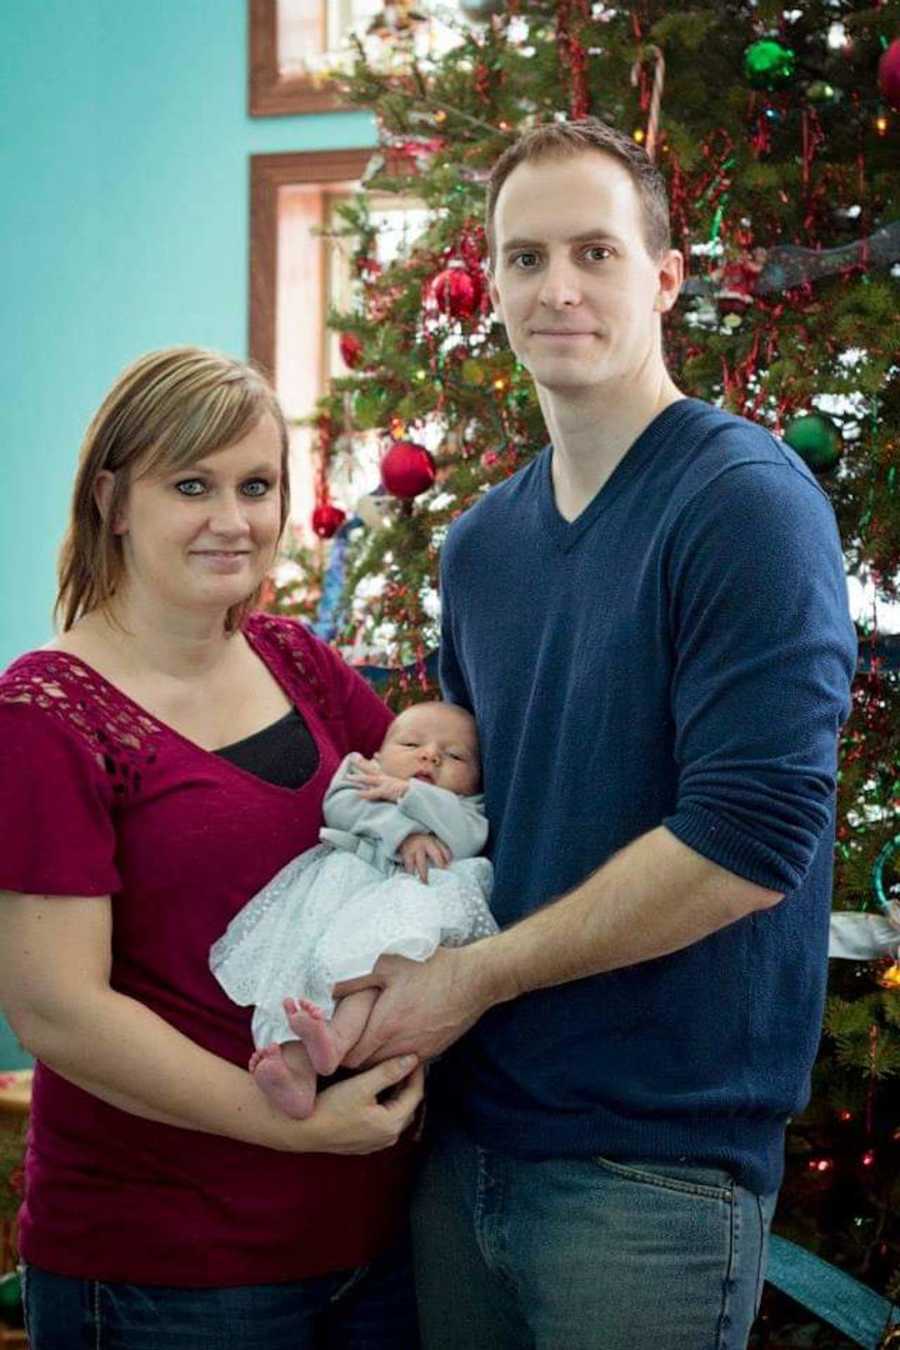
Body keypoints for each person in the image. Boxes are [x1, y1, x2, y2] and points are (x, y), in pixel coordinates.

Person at [330, 120, 859, 1349]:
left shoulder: (744, 505)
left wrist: (471, 980)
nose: (556, 288)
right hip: (464, 1150)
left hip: (652, 1172)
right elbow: (471, 818)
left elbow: (748, 844)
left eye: (595, 252)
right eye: (524, 258)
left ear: (663, 278)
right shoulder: (481, 546)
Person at [0, 347, 427, 1349]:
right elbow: (56, 1010)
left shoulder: (299, 662)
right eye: (191, 485)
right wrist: (292, 1123)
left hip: (372, 1242)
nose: (231, 518)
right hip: (166, 1273)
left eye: (256, 484)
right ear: (114, 499)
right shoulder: (46, 713)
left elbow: (426, 810)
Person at [211, 701, 495, 1120]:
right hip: (337, 889)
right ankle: (295, 1071)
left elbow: (468, 836)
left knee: (371, 972)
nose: (430, 755)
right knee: (295, 967)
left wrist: (409, 794)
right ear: (379, 753)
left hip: (400, 901)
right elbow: (342, 805)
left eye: (454, 756)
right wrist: (402, 834)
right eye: (412, 743)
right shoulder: (362, 772)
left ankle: (336, 1041)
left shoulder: (466, 809)